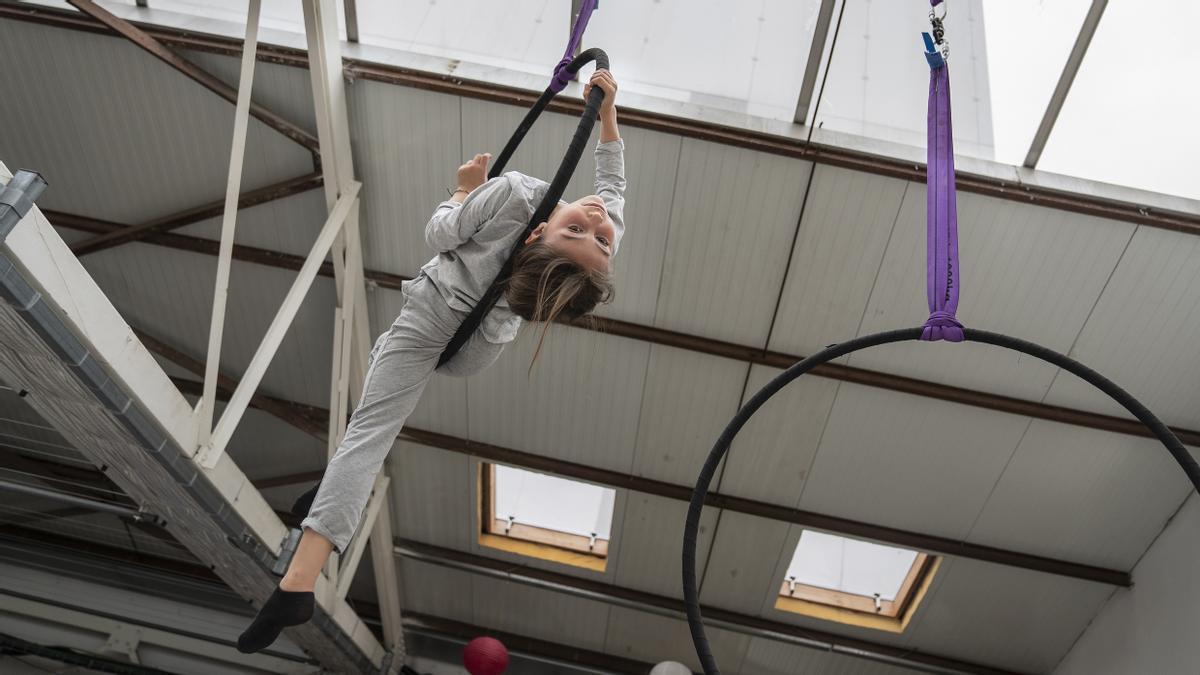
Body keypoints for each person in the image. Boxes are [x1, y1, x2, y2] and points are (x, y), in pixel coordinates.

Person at [237, 69, 625, 653]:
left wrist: (465, 187)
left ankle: (297, 582)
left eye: (580, 230)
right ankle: (332, 489)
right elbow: (613, 186)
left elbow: (440, 234)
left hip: (434, 320)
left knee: (369, 432)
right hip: (479, 349)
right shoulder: (593, 235)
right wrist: (607, 115)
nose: (597, 220)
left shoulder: (516, 193)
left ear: (536, 234)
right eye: (600, 237)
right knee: (372, 405)